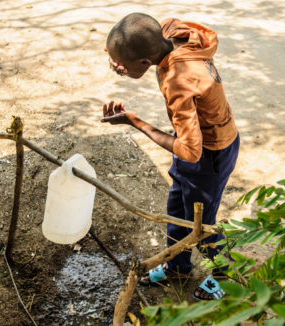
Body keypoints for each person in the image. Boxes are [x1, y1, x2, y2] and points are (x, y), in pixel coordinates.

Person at [101, 13, 240, 300]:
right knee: (177, 207)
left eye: (121, 66)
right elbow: (157, 27)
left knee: (200, 225)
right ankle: (178, 267)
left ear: (143, 62)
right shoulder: (169, 34)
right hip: (197, 143)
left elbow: (190, 151)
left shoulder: (179, 81)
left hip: (209, 156)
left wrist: (134, 122)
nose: (118, 68)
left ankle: (225, 274)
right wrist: (117, 53)